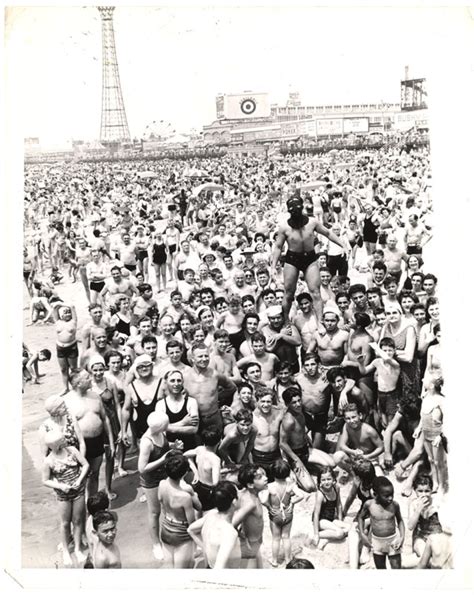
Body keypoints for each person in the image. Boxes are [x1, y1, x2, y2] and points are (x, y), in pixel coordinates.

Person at [271, 195, 346, 324]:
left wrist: (343, 245)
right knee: (289, 293)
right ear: (289, 211)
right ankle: (285, 321)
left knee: (316, 292)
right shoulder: (284, 227)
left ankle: (320, 322)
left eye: (298, 210)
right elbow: (278, 246)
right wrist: (273, 266)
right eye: (293, 211)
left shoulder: (312, 222)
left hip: (309, 258)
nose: (296, 212)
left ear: (302, 209)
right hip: (292, 259)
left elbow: (328, 233)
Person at [42, 428, 89, 567]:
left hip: (78, 490)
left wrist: (80, 480)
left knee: (78, 519)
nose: (66, 440)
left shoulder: (72, 450)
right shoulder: (49, 461)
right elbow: (45, 480)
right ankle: (66, 552)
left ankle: (77, 548)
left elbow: (85, 465)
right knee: (65, 523)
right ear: (56, 445)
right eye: (63, 439)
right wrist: (61, 486)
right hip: (63, 495)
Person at [64, 369, 115, 499]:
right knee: (80, 476)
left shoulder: (95, 396)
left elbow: (105, 419)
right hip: (78, 444)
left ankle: (92, 504)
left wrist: (110, 441)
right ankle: (81, 505)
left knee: (95, 473)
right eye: (87, 378)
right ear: (78, 383)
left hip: (97, 441)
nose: (91, 379)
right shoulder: (67, 401)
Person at [138, 411, 171, 561]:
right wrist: (163, 459)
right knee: (154, 512)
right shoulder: (147, 442)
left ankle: (168, 538)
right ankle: (156, 544)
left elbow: (164, 447)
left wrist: (173, 446)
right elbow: (142, 468)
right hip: (151, 481)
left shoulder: (160, 433)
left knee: (168, 508)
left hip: (163, 476)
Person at [187, 481, 241, 569]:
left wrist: (206, 548)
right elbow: (219, 568)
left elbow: (190, 530)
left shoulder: (211, 515)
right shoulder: (230, 533)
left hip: (210, 565)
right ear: (234, 501)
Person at [158, 454, 199, 568]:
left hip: (166, 528)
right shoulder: (184, 496)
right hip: (181, 534)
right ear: (185, 473)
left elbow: (161, 502)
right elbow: (192, 523)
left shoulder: (162, 484)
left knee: (170, 568)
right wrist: (192, 493)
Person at [261, 459, 303, 566]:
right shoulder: (290, 485)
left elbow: (263, 500)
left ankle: (274, 561)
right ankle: (288, 559)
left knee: (275, 538)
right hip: (287, 512)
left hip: (275, 513)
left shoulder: (270, 486)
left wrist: (269, 507)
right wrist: (292, 503)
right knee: (286, 537)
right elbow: (301, 496)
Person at [358, 476, 405, 569]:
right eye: (386, 496)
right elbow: (360, 518)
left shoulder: (394, 505)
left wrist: (402, 537)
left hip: (393, 540)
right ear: (375, 494)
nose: (391, 498)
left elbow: (400, 520)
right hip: (377, 542)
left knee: (397, 568)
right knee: (380, 569)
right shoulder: (369, 505)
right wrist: (362, 534)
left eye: (392, 494)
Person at [232, 464, 268, 568]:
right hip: (251, 543)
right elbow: (232, 524)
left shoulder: (244, 494)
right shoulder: (250, 504)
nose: (266, 478)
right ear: (250, 485)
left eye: (264, 475)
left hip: (254, 539)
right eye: (260, 477)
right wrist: (242, 538)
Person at [310, 466, 349, 550]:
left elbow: (338, 504)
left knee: (349, 528)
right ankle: (316, 534)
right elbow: (316, 514)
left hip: (331, 518)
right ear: (319, 481)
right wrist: (316, 534)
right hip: (322, 520)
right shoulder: (320, 494)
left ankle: (327, 538)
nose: (326, 482)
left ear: (334, 479)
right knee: (340, 533)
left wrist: (340, 520)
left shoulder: (336, 488)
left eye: (329, 479)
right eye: (323, 480)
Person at [184, 426, 222, 513]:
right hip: (210, 490)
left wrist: (196, 472)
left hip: (198, 486)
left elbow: (186, 455)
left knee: (199, 511)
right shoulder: (215, 459)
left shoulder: (199, 449)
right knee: (210, 513)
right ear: (219, 441)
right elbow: (215, 482)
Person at [54, 304, 79, 395]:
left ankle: (75, 386)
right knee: (63, 369)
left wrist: (66, 305)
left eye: (69, 313)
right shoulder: (57, 322)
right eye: (65, 313)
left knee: (73, 369)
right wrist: (60, 305)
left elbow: (72, 307)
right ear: (61, 315)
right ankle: (65, 388)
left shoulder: (73, 321)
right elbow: (54, 308)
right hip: (60, 347)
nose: (68, 314)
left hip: (71, 346)